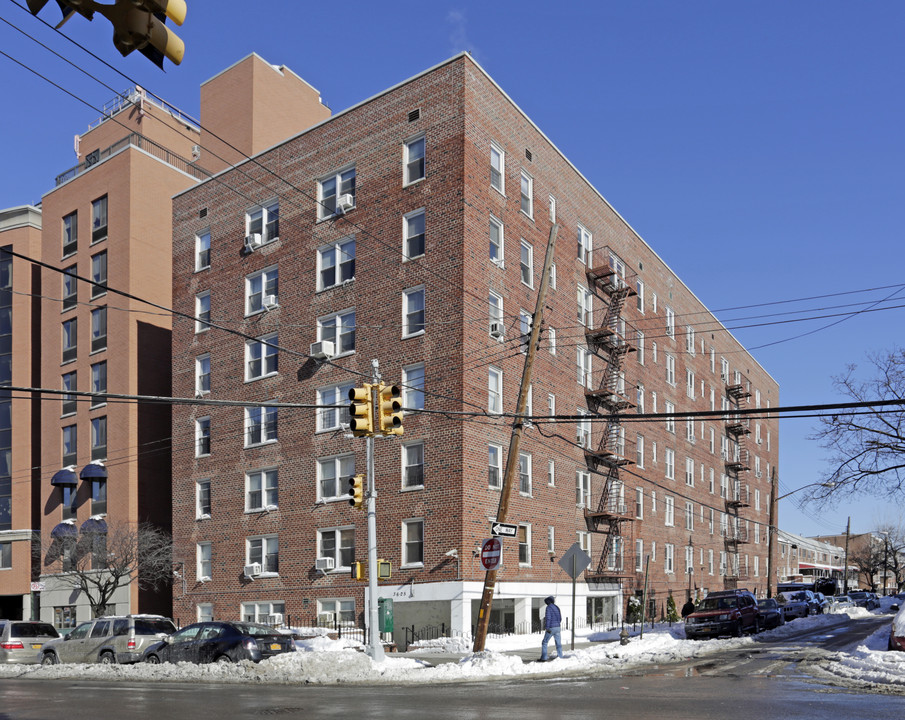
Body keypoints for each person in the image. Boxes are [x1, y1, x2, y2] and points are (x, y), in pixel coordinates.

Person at [539, 596, 562, 661]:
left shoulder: (548, 608)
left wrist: (547, 627)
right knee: (558, 643)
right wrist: (557, 624)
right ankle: (560, 656)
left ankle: (544, 657)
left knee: (545, 642)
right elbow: (560, 618)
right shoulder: (557, 607)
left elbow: (548, 618)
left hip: (551, 628)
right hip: (558, 627)